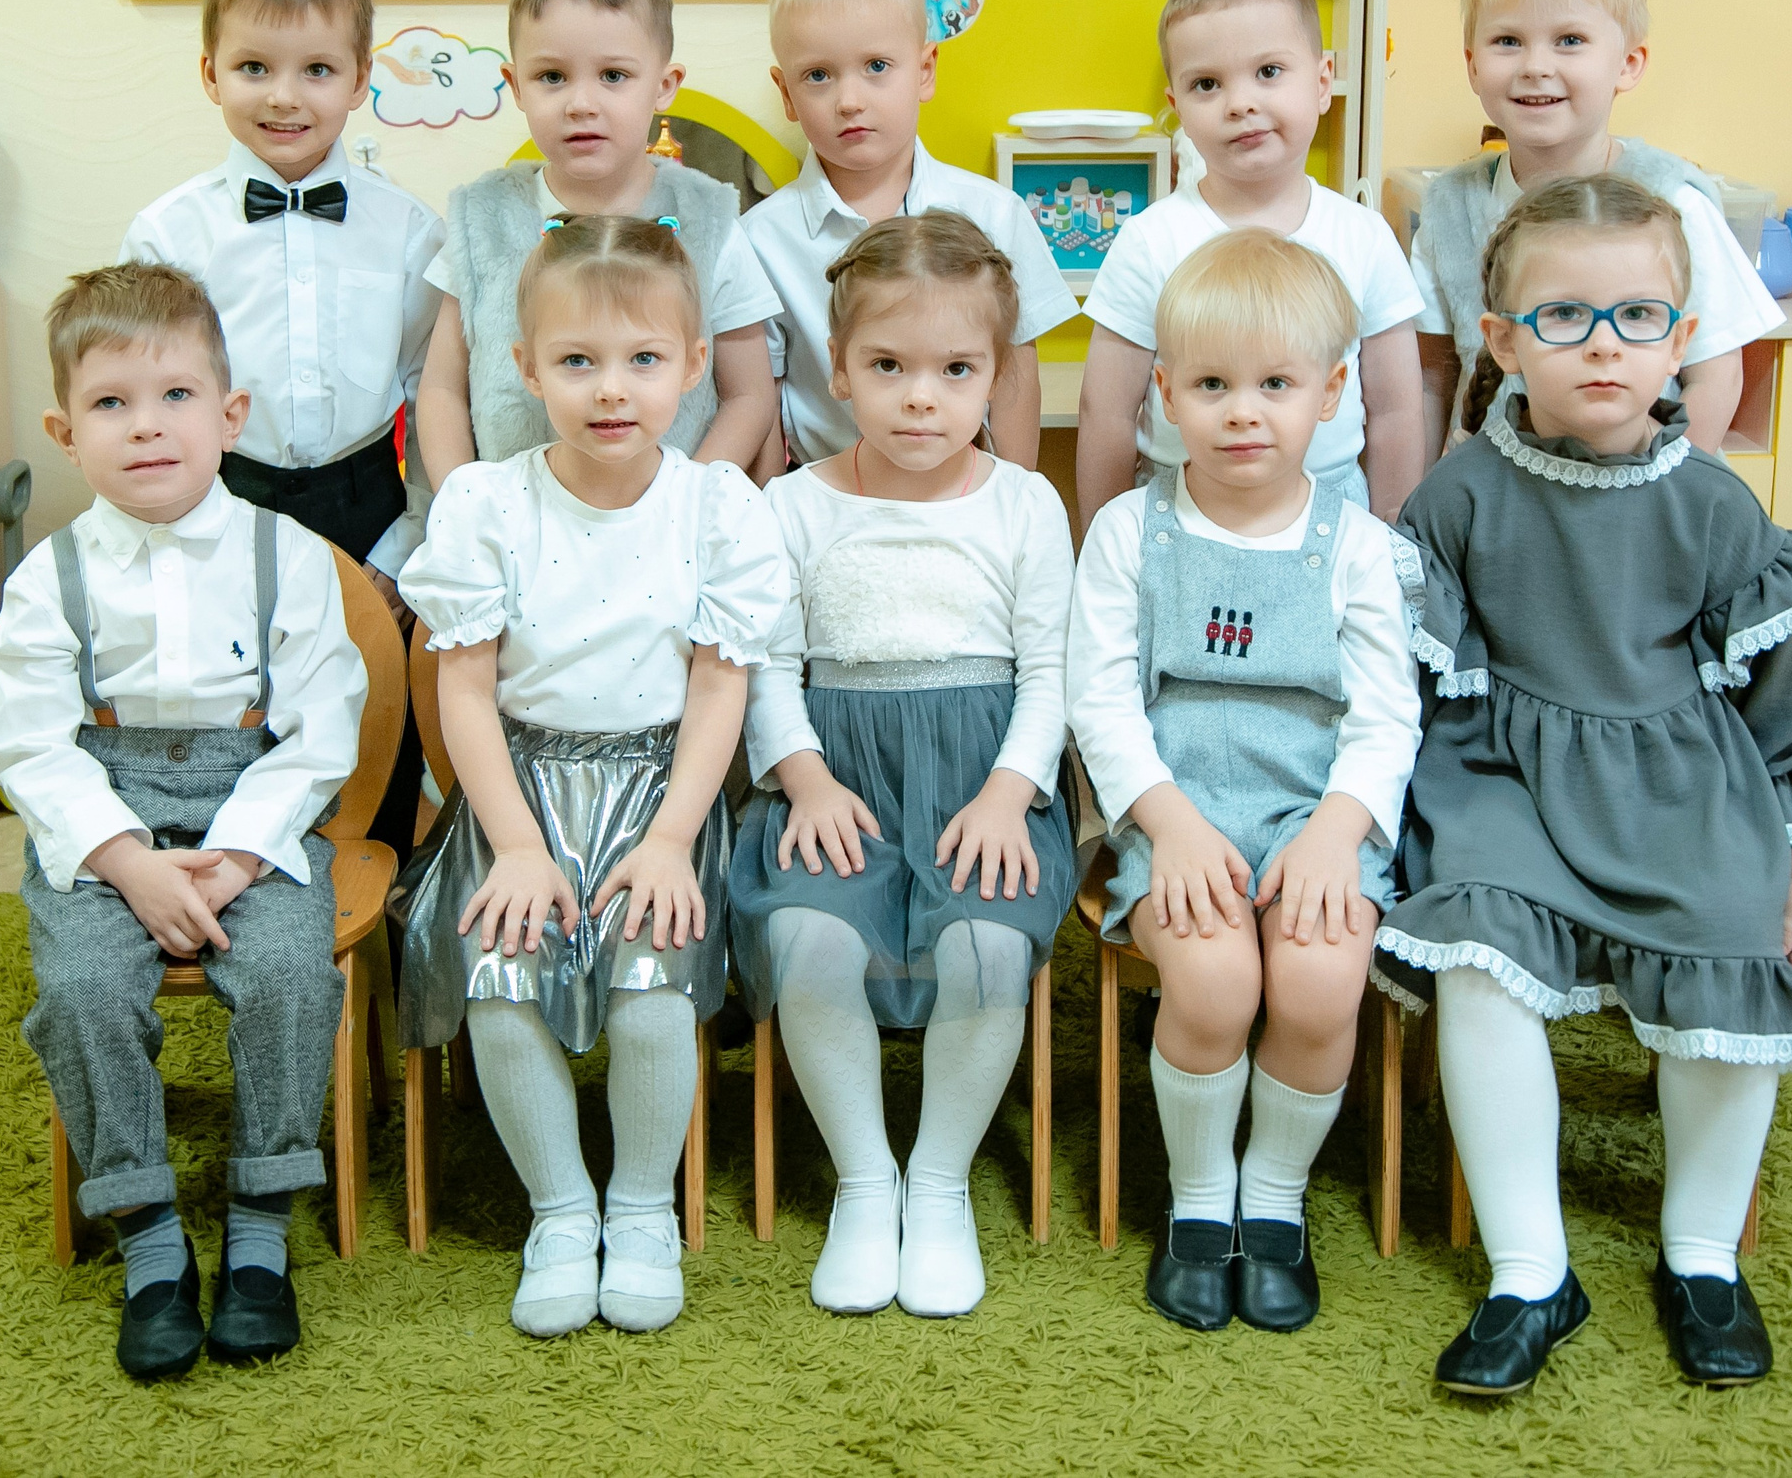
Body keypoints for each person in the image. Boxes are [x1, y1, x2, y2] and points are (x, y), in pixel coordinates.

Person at [1376, 173, 1792, 1397]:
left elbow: (1774, 701)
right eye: (1562, 317)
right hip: (1504, 775)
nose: (1600, 346)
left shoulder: (1716, 507)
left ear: (1680, 341)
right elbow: (1410, 687)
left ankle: (1698, 1255)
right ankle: (1529, 1271)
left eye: (1637, 317)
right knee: (1475, 949)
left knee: (1735, 943)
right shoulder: (1459, 495)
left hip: (1680, 776)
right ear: (1501, 342)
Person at [395, 215, 787, 1338]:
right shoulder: (486, 503)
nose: (610, 390)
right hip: (516, 791)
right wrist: (513, 842)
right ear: (525, 369)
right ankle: (561, 1211)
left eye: (642, 361)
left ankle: (640, 1206)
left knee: (649, 980)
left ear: (694, 365)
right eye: (576, 362)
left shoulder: (716, 507)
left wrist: (670, 838)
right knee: (500, 975)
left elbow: (720, 691)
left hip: (666, 790)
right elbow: (463, 692)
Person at [0, 264, 369, 1380]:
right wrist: (127, 866)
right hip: (105, 809)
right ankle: (148, 1231)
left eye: (175, 398)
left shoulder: (285, 556)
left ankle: (260, 1219)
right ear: (65, 430)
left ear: (228, 415)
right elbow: (30, 742)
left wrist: (242, 856)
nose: (145, 428)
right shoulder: (49, 575)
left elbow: (317, 735)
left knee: (294, 978)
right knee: (84, 989)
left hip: (255, 806)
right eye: (110, 405)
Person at [1067, 228, 1420, 1334]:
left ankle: (1272, 1199)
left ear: (1330, 394)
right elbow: (1102, 701)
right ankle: (1199, 1199)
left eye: (1274, 385)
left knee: (1319, 988)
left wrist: (1336, 833)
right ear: (1162, 394)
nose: (1242, 412)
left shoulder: (1358, 545)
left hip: (1318, 812)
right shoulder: (1132, 530)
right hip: (1177, 808)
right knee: (1214, 986)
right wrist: (1165, 828)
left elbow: (1383, 714)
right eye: (1211, 386)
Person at [730, 214, 1077, 1319]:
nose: (920, 397)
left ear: (993, 377)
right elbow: (766, 663)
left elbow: (1052, 670)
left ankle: (936, 1183)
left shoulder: (1026, 504)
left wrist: (1012, 794)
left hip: (985, 779)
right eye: (888, 368)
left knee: (983, 950)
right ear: (839, 371)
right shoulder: (789, 505)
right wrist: (803, 778)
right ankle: (864, 1179)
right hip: (837, 775)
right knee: (808, 940)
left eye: (955, 370)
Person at [120, 0, 438, 862]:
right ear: (210, 71)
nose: (285, 96)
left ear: (360, 77)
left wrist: (403, 545)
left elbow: (431, 392)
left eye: (316, 70)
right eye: (254, 67)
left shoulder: (409, 230)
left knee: (377, 722)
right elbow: (146, 400)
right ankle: (233, 900)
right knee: (243, 718)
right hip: (224, 497)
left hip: (363, 498)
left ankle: (376, 935)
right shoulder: (170, 235)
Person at [1074, 0, 1427, 536]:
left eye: (1268, 72)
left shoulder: (1362, 236)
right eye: (1207, 83)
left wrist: (1396, 542)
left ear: (1321, 82)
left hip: (1332, 508)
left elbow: (1395, 410)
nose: (1240, 103)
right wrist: (1102, 543)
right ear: (1177, 108)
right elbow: (1106, 414)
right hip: (1180, 505)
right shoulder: (1150, 241)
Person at [413, 0, 783, 485]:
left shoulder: (710, 221)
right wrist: (463, 504)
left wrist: (684, 503)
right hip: (515, 540)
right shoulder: (479, 221)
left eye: (613, 76)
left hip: (666, 541)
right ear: (515, 85)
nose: (581, 104)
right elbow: (441, 387)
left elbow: (750, 394)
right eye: (552, 77)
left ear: (664, 85)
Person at [1408, 0, 1776, 451]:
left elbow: (1716, 376)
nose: (1535, 65)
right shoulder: (1449, 207)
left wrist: (1656, 496)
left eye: (1570, 40)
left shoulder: (1671, 201)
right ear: (1472, 65)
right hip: (1493, 508)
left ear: (1627, 63)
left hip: (1631, 505)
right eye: (1508, 41)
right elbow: (1432, 380)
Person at [744, 0, 1076, 470]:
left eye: (876, 67)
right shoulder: (760, 240)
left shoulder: (994, 215)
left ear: (923, 70)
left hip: (963, 494)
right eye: (819, 75)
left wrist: (1016, 499)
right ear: (787, 93)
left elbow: (1015, 379)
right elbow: (762, 400)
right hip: (824, 503)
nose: (849, 100)